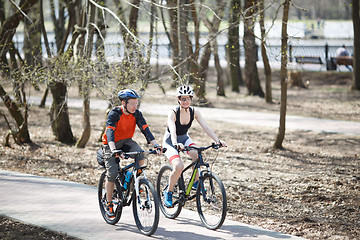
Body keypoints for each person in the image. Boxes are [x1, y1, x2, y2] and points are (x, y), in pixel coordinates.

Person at [162, 85, 226, 208]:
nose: (185, 101)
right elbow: (172, 128)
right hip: (170, 141)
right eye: (183, 99)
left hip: (184, 139)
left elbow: (206, 127)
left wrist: (217, 140)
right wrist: (175, 143)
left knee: (196, 154)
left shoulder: (194, 112)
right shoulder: (173, 112)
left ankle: (196, 182)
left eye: (188, 99)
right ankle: (168, 192)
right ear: (178, 100)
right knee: (179, 166)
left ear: (191, 99)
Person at [102, 89, 162, 218]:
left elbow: (146, 130)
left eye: (137, 103)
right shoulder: (114, 113)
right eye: (133, 103)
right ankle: (108, 203)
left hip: (126, 141)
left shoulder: (136, 114)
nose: (136, 106)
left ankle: (136, 180)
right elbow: (110, 133)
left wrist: (156, 145)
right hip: (110, 145)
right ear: (124, 103)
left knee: (141, 154)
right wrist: (113, 150)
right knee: (112, 174)